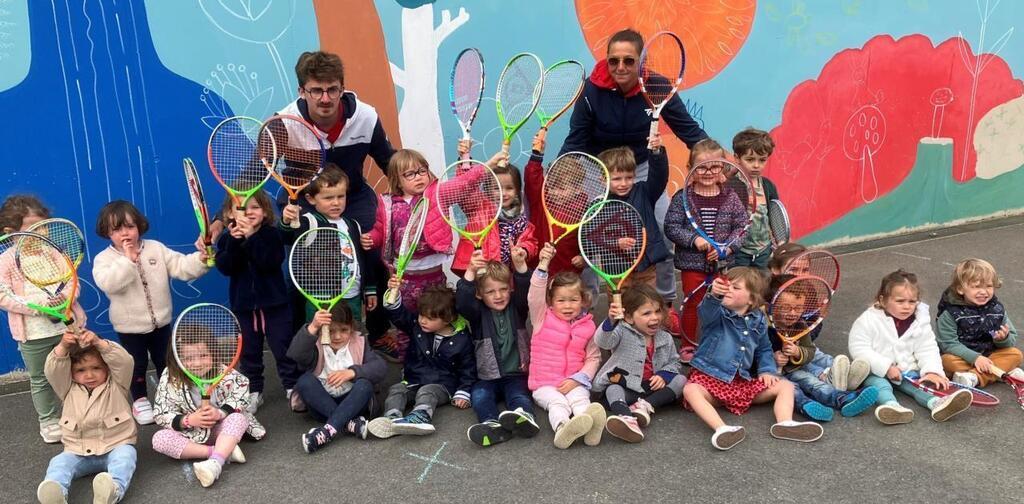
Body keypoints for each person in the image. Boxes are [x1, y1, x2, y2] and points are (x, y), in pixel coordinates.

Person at [560, 28, 709, 302]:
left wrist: (712, 159)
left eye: (629, 60)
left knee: (664, 228)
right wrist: (558, 173)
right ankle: (585, 304)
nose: (620, 67)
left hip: (640, 169)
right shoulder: (590, 91)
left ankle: (664, 301)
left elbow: (690, 131)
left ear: (642, 62)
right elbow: (575, 140)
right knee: (588, 237)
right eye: (613, 60)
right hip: (598, 170)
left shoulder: (658, 87)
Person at [92, 201, 209, 425]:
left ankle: (172, 397)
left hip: (162, 322)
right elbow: (110, 284)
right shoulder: (104, 260)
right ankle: (140, 400)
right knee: (135, 364)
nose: (125, 233)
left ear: (139, 226)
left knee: (166, 361)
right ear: (107, 233)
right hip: (129, 327)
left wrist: (201, 259)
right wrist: (128, 261)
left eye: (130, 226)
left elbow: (182, 266)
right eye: (117, 229)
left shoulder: (155, 248)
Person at [682, 268, 823, 450]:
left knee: (786, 385)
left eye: (735, 287)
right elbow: (706, 311)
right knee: (691, 389)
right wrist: (714, 295)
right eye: (727, 285)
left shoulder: (758, 320)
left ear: (751, 299)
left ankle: (785, 423)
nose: (728, 289)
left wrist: (766, 370)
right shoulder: (717, 315)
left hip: (740, 383)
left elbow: (764, 349)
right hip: (709, 380)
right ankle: (722, 429)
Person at [0, 195, 87, 443]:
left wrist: (65, 300)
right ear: (11, 232)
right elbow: (2, 296)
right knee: (40, 378)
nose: (42, 232)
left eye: (45, 226)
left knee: (77, 370)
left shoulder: (54, 253)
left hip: (66, 327)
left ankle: (80, 412)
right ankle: (48, 419)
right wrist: (38, 307)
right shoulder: (5, 261)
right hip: (33, 334)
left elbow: (73, 281)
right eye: (33, 228)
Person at [848, 270, 973, 425]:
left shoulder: (920, 319)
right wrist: (886, 367)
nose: (907, 307)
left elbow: (927, 347)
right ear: (883, 300)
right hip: (875, 370)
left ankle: (936, 403)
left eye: (912, 302)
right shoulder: (868, 320)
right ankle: (891, 406)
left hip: (906, 370)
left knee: (919, 386)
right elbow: (859, 348)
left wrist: (933, 371)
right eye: (900, 301)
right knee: (880, 385)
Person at [362, 149, 453, 360]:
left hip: (434, 276)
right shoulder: (388, 204)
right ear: (397, 180)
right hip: (405, 279)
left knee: (438, 318)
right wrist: (372, 238)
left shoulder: (436, 196)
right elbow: (380, 229)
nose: (418, 176)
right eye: (409, 174)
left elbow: (461, 185)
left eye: (422, 170)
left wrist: (463, 157)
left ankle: (441, 360)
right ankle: (409, 365)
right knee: (406, 323)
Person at [215, 190, 297, 414]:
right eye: (241, 207)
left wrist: (251, 237)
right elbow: (226, 267)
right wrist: (234, 241)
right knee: (250, 351)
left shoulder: (271, 234)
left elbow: (268, 262)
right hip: (244, 307)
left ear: (265, 211)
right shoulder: (227, 238)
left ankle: (291, 386)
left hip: (275, 305)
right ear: (229, 213)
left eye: (255, 207)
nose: (248, 212)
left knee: (283, 347)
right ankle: (254, 391)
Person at [664, 139, 746, 360]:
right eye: (701, 167)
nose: (708, 172)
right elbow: (671, 227)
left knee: (723, 303)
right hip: (692, 265)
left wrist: (727, 248)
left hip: (722, 265)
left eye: (715, 166)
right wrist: (694, 240)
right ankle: (689, 344)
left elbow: (741, 227)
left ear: (723, 168)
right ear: (690, 169)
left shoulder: (730, 197)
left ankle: (718, 343)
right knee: (693, 304)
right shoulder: (682, 198)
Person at [36, 330, 136, 504]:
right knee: (59, 462)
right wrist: (63, 346)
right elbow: (52, 369)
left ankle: (113, 490)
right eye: (80, 370)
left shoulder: (118, 384)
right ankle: (56, 492)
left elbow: (124, 361)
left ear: (106, 367)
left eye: (96, 368)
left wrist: (98, 342)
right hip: (78, 451)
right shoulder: (66, 387)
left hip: (115, 445)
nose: (89, 375)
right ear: (71, 372)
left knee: (126, 457)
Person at [151, 335, 264, 488]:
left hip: (221, 429)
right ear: (176, 359)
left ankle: (215, 463)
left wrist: (221, 413)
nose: (197, 363)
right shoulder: (170, 376)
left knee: (238, 419)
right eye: (188, 358)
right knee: (159, 439)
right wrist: (188, 420)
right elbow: (161, 412)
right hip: (191, 432)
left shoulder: (223, 372)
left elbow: (242, 390)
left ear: (213, 353)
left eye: (203, 355)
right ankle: (219, 452)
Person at [367, 282, 476, 438]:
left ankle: (421, 415)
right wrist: (393, 293)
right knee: (397, 389)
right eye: (421, 315)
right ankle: (391, 418)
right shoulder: (416, 326)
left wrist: (464, 391)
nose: (423, 320)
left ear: (448, 318)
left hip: (443, 384)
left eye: (430, 318)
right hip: (414, 379)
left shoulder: (462, 338)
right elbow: (400, 316)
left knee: (427, 391)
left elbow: (468, 367)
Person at [767, 275, 878, 422]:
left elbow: (810, 351)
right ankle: (807, 406)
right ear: (771, 306)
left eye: (798, 308)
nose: (793, 313)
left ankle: (842, 399)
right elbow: (754, 354)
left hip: (795, 368)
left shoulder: (800, 325)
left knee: (812, 381)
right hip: (771, 376)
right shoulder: (763, 326)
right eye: (786, 308)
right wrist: (772, 359)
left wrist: (798, 352)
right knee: (792, 389)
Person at [527, 243, 605, 449]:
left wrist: (578, 380)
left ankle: (590, 425)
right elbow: (535, 294)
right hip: (544, 384)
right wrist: (543, 264)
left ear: (583, 301)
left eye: (573, 300)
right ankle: (562, 429)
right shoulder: (541, 317)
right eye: (561, 300)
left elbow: (593, 358)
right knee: (558, 404)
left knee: (580, 399)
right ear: (551, 302)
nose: (568, 305)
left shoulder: (588, 325)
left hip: (573, 380)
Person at [458, 250, 539, 448]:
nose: (499, 296)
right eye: (490, 291)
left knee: (518, 395)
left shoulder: (517, 308)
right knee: (480, 396)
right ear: (479, 294)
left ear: (510, 289)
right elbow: (462, 302)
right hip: (487, 376)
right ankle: (490, 423)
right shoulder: (477, 314)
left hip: (516, 373)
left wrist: (520, 266)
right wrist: (470, 271)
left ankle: (523, 417)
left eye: (503, 289)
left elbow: (526, 289)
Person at [287, 304, 387, 453]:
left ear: (351, 327)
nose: (337, 336)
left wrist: (352, 373)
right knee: (304, 381)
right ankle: (347, 424)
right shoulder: (315, 343)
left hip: (353, 403)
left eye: (344, 330)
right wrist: (313, 326)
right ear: (322, 330)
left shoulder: (359, 342)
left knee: (365, 385)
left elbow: (381, 367)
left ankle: (327, 432)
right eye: (331, 331)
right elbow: (295, 354)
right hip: (322, 404)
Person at [595, 284, 684, 443]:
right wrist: (610, 320)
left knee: (681, 380)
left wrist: (663, 375)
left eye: (657, 311)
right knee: (613, 388)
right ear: (629, 317)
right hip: (628, 387)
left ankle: (644, 406)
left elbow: (674, 362)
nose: (655, 317)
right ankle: (626, 417)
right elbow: (603, 342)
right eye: (646, 313)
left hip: (652, 389)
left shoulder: (665, 337)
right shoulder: (622, 331)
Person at [450, 142, 539, 275]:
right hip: (480, 273)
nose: (503, 193)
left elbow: (530, 241)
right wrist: (464, 161)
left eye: (509, 188)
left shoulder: (520, 216)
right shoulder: (479, 206)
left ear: (517, 190)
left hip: (507, 276)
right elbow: (466, 188)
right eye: (497, 188)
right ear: (488, 190)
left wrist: (524, 250)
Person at [596, 133, 667, 290]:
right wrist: (615, 243)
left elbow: (660, 177)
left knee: (646, 305)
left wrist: (656, 153)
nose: (623, 183)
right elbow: (592, 238)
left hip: (646, 267)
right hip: (616, 272)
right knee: (620, 310)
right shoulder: (597, 205)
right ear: (603, 179)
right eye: (616, 179)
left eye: (629, 177)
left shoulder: (644, 191)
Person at [936, 258, 1022, 387]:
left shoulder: (997, 309)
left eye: (988, 286)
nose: (983, 291)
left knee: (1016, 354)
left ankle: (974, 377)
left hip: (990, 354)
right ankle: (1001, 373)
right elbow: (948, 344)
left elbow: (1011, 340)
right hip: (963, 357)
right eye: (976, 287)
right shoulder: (950, 313)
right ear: (960, 289)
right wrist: (975, 358)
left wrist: (1002, 339)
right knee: (946, 361)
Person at [730, 128, 782, 269]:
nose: (756, 165)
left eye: (762, 160)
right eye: (750, 159)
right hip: (738, 251)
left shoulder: (768, 186)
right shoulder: (730, 185)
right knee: (740, 287)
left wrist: (780, 242)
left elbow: (775, 216)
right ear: (737, 158)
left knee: (762, 287)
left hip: (763, 251)